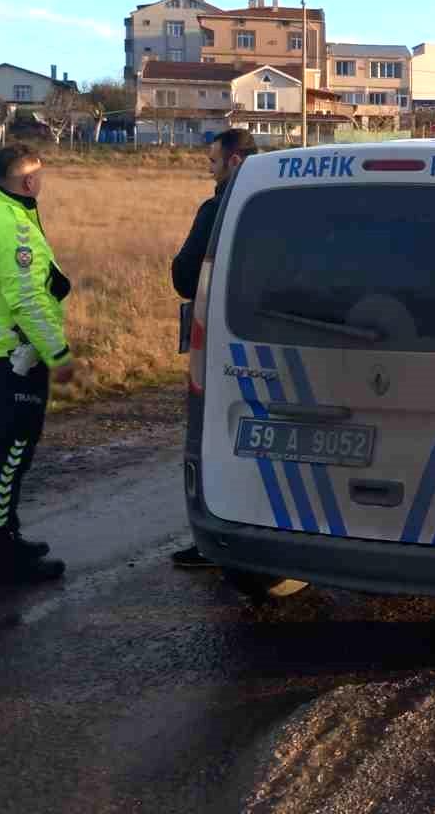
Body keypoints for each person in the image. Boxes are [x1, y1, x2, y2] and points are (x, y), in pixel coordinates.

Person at [0, 144, 77, 585]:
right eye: (39, 177)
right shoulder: (13, 227)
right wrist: (57, 354)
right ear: (28, 181)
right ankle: (2, 553)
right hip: (14, 360)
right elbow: (27, 298)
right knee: (9, 458)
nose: (41, 183)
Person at [169, 128, 258, 569]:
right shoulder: (286, 205)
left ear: (236, 161)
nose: (210, 169)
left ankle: (216, 536)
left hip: (226, 344)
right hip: (290, 337)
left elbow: (185, 278)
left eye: (213, 162)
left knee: (217, 438)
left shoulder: (218, 209)